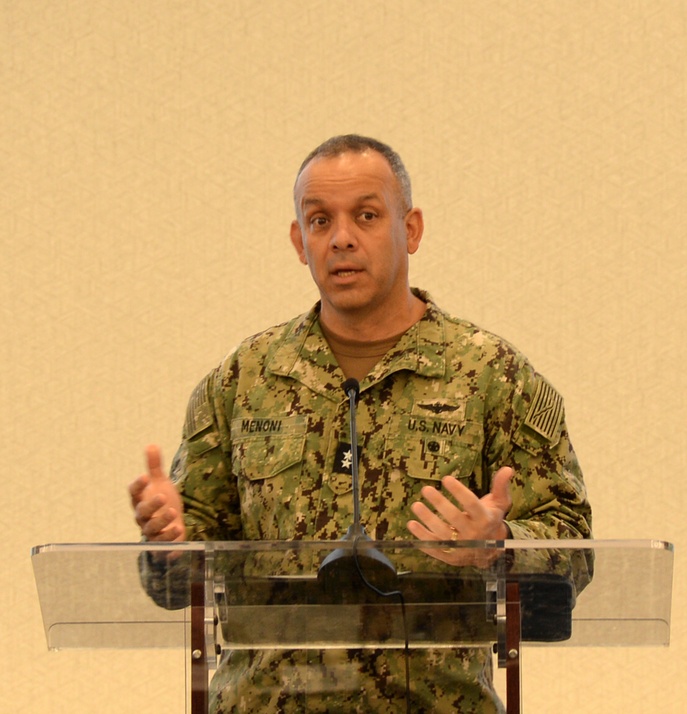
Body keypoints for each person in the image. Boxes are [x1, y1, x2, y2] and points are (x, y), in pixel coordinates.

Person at [128, 134, 592, 712]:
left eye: (366, 215)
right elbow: (177, 582)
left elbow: (574, 544)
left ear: (411, 229)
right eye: (320, 221)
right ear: (300, 242)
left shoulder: (494, 375)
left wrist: (500, 546)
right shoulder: (242, 381)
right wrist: (168, 545)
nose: (342, 237)